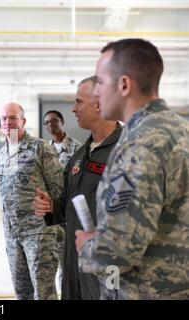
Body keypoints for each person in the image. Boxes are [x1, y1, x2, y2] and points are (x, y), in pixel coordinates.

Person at [75, 39, 189, 299]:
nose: (96, 93)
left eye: (101, 83)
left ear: (124, 85)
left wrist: (88, 245)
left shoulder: (141, 145)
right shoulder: (178, 129)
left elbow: (118, 251)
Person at [34, 76, 122, 300]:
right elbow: (67, 204)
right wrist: (50, 206)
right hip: (74, 259)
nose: (73, 109)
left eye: (79, 102)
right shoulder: (79, 155)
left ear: (100, 104)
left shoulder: (126, 151)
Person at [0, 102, 63, 300]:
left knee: (44, 293)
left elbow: (59, 191)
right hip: (12, 235)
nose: (8, 122)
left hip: (39, 234)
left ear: (23, 121)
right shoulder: (2, 153)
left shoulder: (40, 148)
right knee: (21, 292)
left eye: (13, 118)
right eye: (4, 119)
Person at [43, 109, 82, 296]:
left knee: (68, 265)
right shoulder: (45, 149)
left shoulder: (77, 149)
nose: (51, 125)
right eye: (47, 123)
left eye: (54, 121)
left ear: (62, 121)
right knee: (50, 264)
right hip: (51, 217)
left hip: (69, 215)